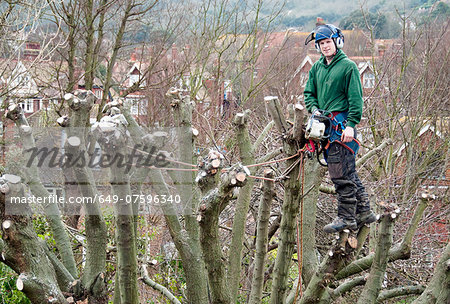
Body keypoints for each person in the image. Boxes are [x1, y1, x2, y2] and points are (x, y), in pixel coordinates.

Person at [303, 24, 376, 233]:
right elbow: (309, 93)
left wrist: (352, 125)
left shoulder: (348, 67)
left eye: (328, 42)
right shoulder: (317, 68)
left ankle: (346, 218)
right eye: (321, 43)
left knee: (339, 173)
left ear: (337, 42)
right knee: (348, 170)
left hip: (342, 126)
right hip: (323, 125)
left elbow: (356, 99)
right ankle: (363, 211)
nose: (325, 46)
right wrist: (314, 109)